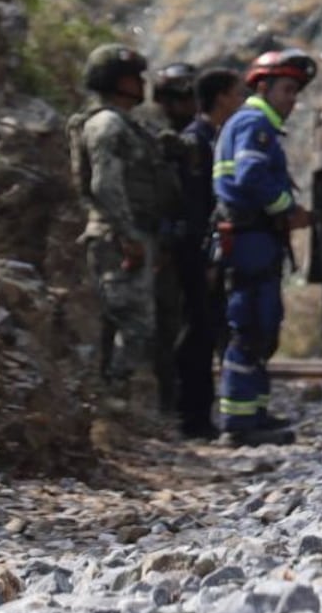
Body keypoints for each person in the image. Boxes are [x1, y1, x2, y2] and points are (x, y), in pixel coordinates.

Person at [212, 47, 316, 448]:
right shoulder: (255, 124)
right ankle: (239, 423)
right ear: (265, 87)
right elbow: (252, 175)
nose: (294, 100)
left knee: (261, 327)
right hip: (252, 237)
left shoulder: (252, 123)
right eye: (288, 90)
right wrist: (288, 209)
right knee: (251, 327)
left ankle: (252, 413)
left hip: (254, 237)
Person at [68, 45, 162, 409]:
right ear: (118, 81)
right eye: (135, 78)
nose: (142, 84)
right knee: (132, 325)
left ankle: (114, 404)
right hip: (117, 237)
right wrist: (128, 236)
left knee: (130, 323)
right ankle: (111, 404)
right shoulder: (107, 124)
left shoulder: (125, 124)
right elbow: (105, 185)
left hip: (128, 234)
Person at [168, 66, 243, 438]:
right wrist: (207, 257)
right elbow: (196, 205)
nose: (242, 100)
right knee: (196, 332)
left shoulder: (211, 137)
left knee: (207, 329)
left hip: (203, 249)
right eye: (236, 93)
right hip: (196, 252)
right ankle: (192, 417)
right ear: (221, 98)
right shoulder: (196, 141)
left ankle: (200, 415)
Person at [147, 62, 199, 420]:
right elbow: (153, 192)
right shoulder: (155, 134)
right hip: (160, 243)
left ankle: (180, 403)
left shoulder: (187, 133)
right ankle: (165, 405)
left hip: (184, 239)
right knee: (165, 325)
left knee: (187, 322)